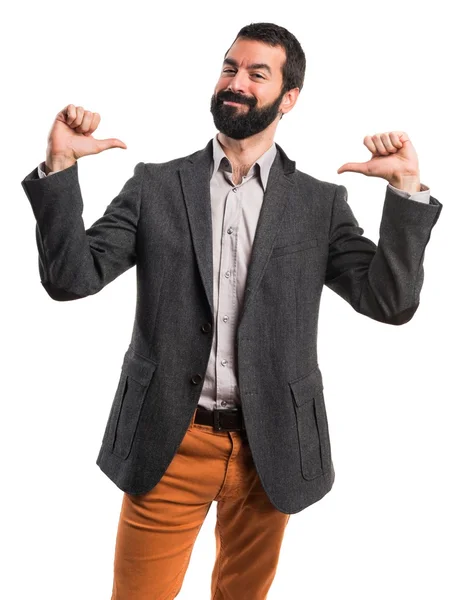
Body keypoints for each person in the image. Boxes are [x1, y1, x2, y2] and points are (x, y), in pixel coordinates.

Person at [21, 21, 442, 600]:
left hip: (269, 449)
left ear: (288, 98)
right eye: (229, 68)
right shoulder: (155, 186)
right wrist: (61, 167)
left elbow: (391, 302)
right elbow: (70, 280)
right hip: (167, 442)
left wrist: (406, 190)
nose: (235, 82)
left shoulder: (319, 204)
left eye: (256, 73)